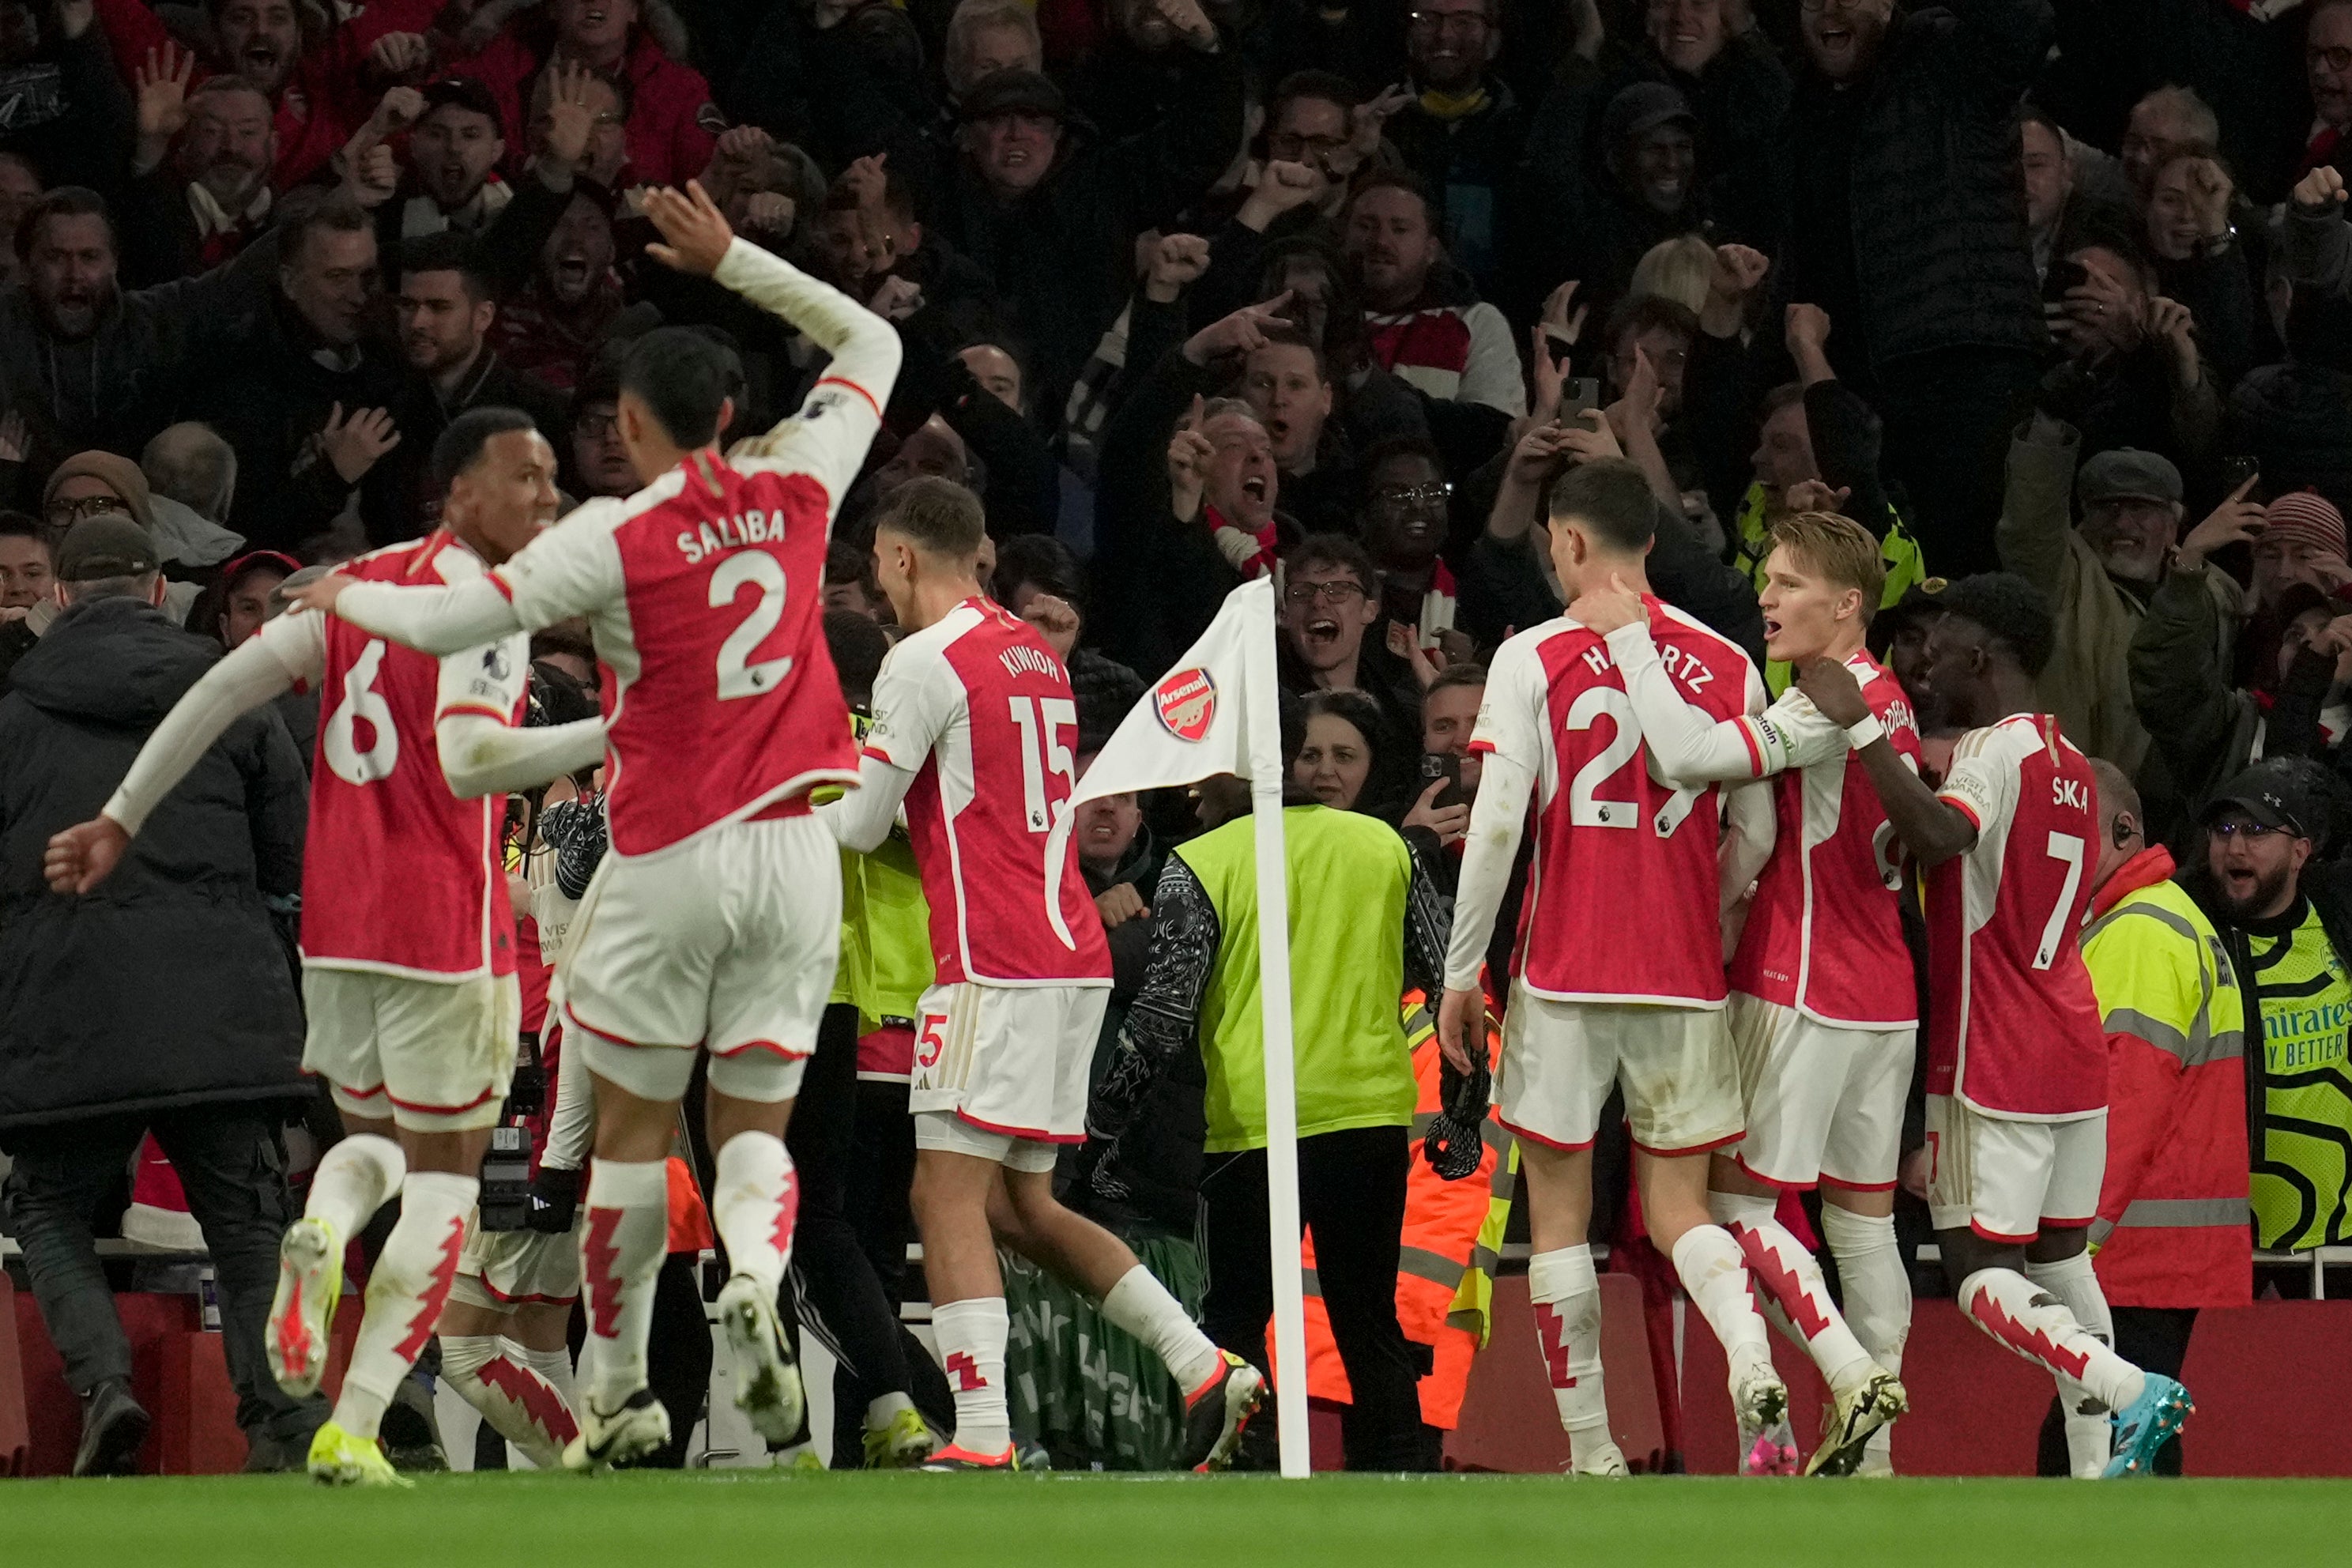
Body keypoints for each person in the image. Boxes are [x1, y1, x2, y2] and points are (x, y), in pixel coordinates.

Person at [281, 183, 899, 1473]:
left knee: (625, 1132)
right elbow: (874, 343)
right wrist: (737, 261)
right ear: (735, 415)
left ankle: (615, 1385)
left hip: (667, 854)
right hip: (796, 850)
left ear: (627, 428)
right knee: (755, 1137)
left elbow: (453, 623)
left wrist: (351, 595)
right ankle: (760, 1278)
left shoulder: (609, 538)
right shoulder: (799, 483)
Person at [42, 408, 594, 1487]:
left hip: (341, 930)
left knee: (372, 1147)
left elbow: (225, 685)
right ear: (461, 493)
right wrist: (620, 732)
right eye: (525, 480)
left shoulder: (357, 586)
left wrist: (121, 815)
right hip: (444, 927)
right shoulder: (486, 609)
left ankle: (326, 1230)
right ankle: (358, 1419)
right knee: (443, 1184)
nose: (546, 500)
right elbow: (479, 761)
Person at [817, 476, 1261, 1472]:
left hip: (991, 962)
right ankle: (1201, 1364)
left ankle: (980, 1435)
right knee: (1024, 1207)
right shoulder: (1035, 657)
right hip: (1071, 954)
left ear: (896, 557)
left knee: (944, 1195)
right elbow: (966, 797)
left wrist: (778, 793)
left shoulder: (919, 661)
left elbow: (853, 820)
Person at [1795, 571, 2195, 1479]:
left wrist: (1861, 725)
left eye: (1939, 644)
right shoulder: (2064, 759)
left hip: (1997, 1052)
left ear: (1982, 655)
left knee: (1979, 1275)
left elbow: (1944, 836)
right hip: (2069, 1045)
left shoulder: (1991, 749)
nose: (1924, 658)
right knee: (2061, 1262)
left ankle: (2131, 1389)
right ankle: (2098, 1474)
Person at [1437, 457, 1781, 1478]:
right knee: (1682, 1213)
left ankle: (1592, 1451)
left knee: (1559, 1217)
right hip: (1681, 976)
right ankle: (1753, 1357)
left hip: (1563, 971)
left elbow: (1498, 826)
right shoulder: (1727, 658)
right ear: (1653, 546)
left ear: (1572, 542)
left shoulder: (1532, 657)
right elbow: (1755, 832)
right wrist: (1703, 917)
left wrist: (1464, 974)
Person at [1570, 510, 1914, 1476]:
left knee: (1737, 1210)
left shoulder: (1824, 702)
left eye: (1790, 583)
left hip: (1804, 983)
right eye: (1767, 580)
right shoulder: (1887, 696)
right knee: (1864, 1224)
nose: (1767, 598)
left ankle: (1839, 1380)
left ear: (1847, 604)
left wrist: (1632, 640)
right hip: (1887, 997)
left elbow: (1691, 758)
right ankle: (1876, 1456)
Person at [0, 513, 318, 1476]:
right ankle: (280, 1421)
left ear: (57, 598)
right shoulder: (232, 702)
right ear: (155, 592)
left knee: (48, 1207)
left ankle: (106, 1388)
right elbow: (293, 856)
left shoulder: (11, 719)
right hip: (221, 1004)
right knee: (245, 1222)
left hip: (62, 1004)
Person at [1081, 685, 1453, 1472]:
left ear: (1236, 766)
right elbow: (1450, 980)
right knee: (1368, 1323)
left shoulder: (1201, 863)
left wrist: (1105, 1124)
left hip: (1251, 1129)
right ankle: (1404, 1501)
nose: (1191, 781)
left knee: (1238, 1319)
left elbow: (1161, 1020)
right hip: (1368, 1120)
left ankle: (1244, 1488)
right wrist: (1465, 1106)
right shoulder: (1382, 846)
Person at [2043, 760, 2248, 1479]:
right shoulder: (2157, 921)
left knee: (2098, 1442)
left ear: (2125, 831)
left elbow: (2126, 1104)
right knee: (2124, 1435)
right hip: (2158, 1240)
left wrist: (2075, 1243)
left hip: (2133, 1247)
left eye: (2072, 833)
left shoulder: (2137, 934)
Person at [2180, 760, 2352, 1286]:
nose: (2234, 848)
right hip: (2222, 1231)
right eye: (2223, 830)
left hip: (2338, 1230)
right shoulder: (2183, 926)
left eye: (2256, 831)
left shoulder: (2339, 910)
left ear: (2301, 850)